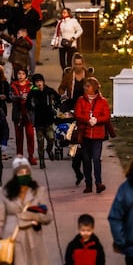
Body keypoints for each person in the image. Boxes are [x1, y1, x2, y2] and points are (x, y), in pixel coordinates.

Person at [58, 53, 93, 185]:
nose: (78, 67)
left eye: (80, 64)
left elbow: (95, 87)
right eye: (76, 64)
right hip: (72, 104)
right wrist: (62, 95)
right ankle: (71, 143)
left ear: (83, 64)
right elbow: (61, 88)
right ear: (73, 64)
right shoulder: (68, 75)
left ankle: (86, 147)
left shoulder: (88, 76)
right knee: (70, 127)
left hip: (84, 104)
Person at [73, 77, 111, 194]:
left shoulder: (102, 101)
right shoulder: (81, 100)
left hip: (97, 136)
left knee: (96, 159)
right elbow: (78, 114)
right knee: (86, 160)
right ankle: (88, 184)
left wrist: (97, 120)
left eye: (88, 86)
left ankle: (98, 182)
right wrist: (87, 119)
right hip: (84, 135)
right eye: (85, 86)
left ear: (94, 88)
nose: (85, 88)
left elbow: (106, 116)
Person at [26, 73, 60, 168]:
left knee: (51, 138)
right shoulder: (32, 93)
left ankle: (49, 150)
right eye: (37, 82)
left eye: (40, 81)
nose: (39, 83)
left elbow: (57, 98)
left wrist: (56, 105)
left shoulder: (49, 91)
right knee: (40, 142)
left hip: (48, 120)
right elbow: (28, 105)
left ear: (43, 82)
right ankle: (41, 160)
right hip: (38, 121)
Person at [10, 68, 37, 165]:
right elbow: (11, 97)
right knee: (19, 137)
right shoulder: (13, 85)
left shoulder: (31, 85)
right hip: (18, 114)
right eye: (19, 73)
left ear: (26, 75)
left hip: (28, 114)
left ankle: (31, 155)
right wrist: (20, 97)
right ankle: (19, 156)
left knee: (30, 135)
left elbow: (35, 97)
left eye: (23, 73)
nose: (21, 75)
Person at [16, 0, 41, 73]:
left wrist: (29, 31)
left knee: (31, 56)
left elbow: (38, 25)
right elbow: (16, 23)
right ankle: (22, 72)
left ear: (30, 4)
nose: (24, 5)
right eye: (23, 3)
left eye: (26, 3)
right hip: (20, 37)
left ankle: (32, 72)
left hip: (31, 37)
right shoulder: (20, 12)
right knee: (20, 55)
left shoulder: (35, 13)